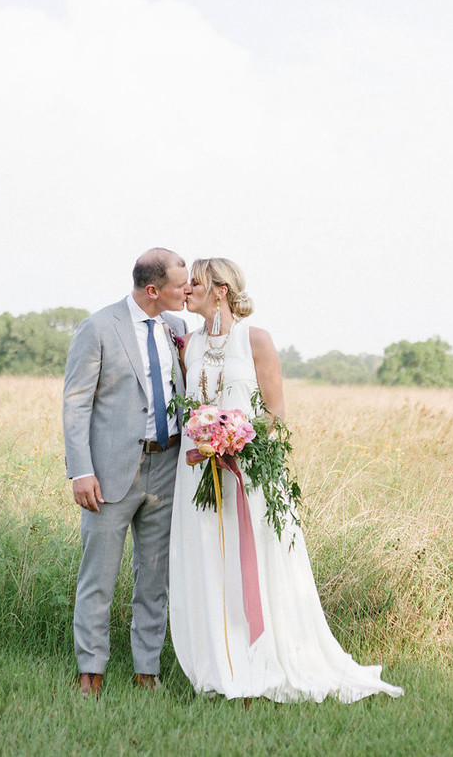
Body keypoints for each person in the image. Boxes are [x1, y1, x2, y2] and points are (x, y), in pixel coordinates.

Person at [169, 257, 403, 703]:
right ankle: (220, 664)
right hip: (197, 472)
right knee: (208, 563)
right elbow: (190, 407)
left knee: (254, 563)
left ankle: (265, 661)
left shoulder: (255, 339)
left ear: (220, 288)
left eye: (195, 281)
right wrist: (208, 444)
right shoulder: (189, 345)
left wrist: (232, 440)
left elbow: (274, 415)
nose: (187, 289)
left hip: (251, 474)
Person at [63, 247, 189, 697]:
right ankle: (91, 672)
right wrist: (80, 471)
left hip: (168, 466)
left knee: (154, 576)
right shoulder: (98, 327)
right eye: (181, 283)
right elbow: (76, 403)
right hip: (109, 473)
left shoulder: (177, 327)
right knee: (98, 576)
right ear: (153, 290)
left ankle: (146, 671)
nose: (189, 289)